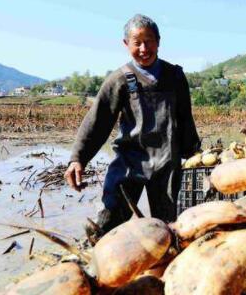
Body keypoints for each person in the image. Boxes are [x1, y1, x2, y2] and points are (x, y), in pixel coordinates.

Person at [64, 14, 200, 236]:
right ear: (126, 44)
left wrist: (194, 153)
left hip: (167, 163)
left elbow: (185, 117)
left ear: (159, 41)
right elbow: (98, 121)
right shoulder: (119, 80)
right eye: (137, 43)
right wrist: (78, 158)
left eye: (149, 41)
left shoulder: (174, 76)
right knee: (106, 224)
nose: (144, 48)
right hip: (130, 162)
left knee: (167, 229)